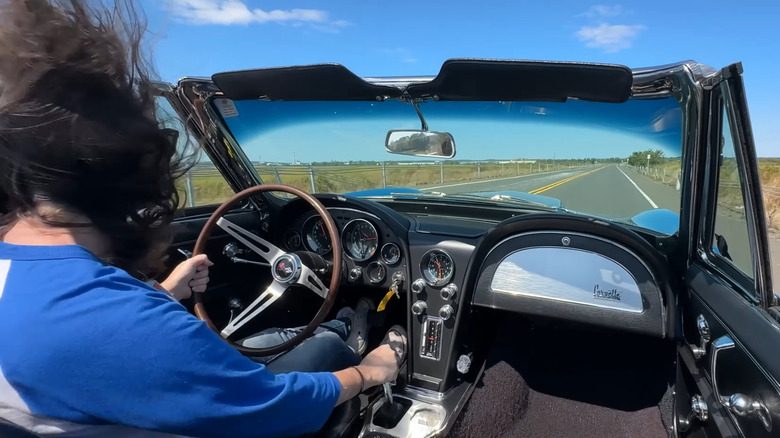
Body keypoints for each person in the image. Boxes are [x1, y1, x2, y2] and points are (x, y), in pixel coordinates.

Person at [0, 1, 406, 437]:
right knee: (325, 345)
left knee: (264, 342)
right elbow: (272, 404)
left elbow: (95, 327)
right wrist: (370, 372)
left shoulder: (43, 291)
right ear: (128, 175)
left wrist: (164, 292)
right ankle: (348, 330)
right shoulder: (121, 324)